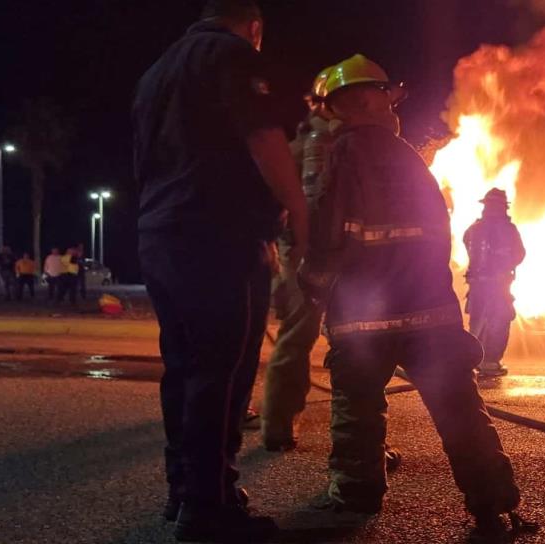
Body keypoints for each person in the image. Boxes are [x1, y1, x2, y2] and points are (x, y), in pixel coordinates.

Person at [299, 54, 531, 538]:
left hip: (362, 321)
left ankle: (355, 498)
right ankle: (493, 506)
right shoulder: (411, 161)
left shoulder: (339, 156)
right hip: (431, 316)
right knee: (460, 412)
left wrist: (312, 288)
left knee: (357, 410)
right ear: (378, 102)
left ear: (345, 106)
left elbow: (323, 233)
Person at [132, 1, 307, 541]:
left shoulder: (157, 71)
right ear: (254, 27)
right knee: (222, 371)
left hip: (160, 233)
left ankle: (186, 493)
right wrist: (299, 216)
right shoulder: (231, 55)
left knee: (184, 367)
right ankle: (210, 509)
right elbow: (262, 137)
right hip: (219, 235)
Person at [257, 68, 333, 451]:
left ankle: (279, 425)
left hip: (301, 253)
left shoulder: (300, 143)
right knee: (302, 338)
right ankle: (280, 426)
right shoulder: (324, 142)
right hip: (315, 253)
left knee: (297, 339)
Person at [463, 189, 526, 377]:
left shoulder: (474, 229)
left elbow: (467, 244)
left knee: (478, 321)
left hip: (479, 285)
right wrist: (504, 266)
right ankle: (489, 361)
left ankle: (476, 361)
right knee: (499, 319)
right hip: (498, 285)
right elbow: (520, 253)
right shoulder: (509, 229)